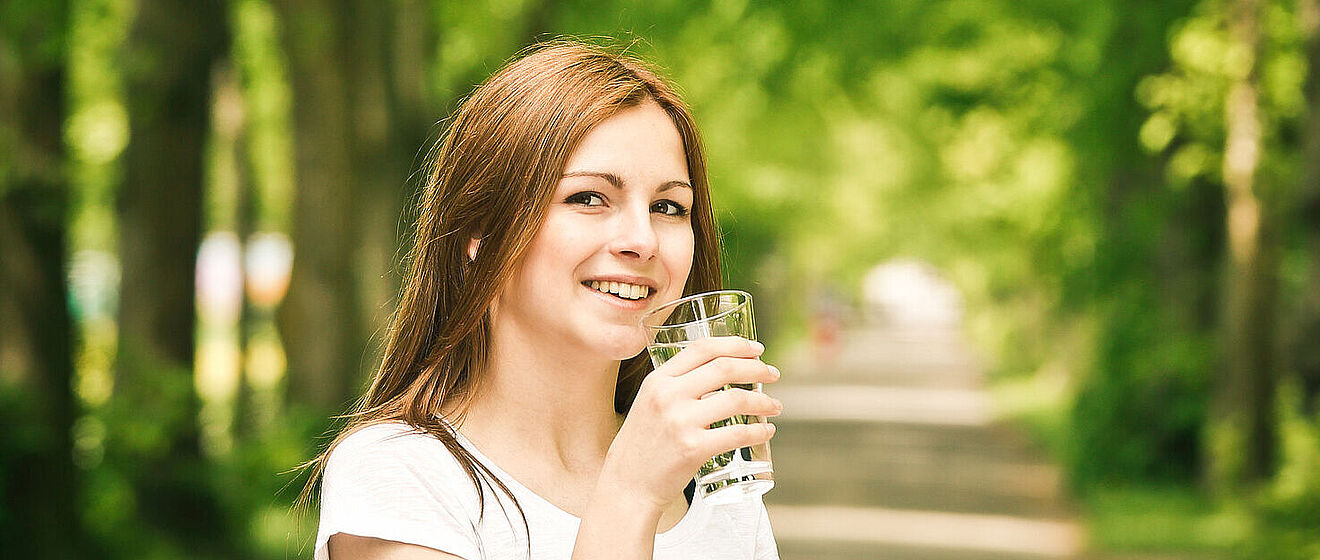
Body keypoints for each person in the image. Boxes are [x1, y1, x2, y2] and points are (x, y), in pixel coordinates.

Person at [302, 39, 784, 560]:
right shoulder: (401, 475)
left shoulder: (712, 476)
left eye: (669, 207)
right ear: (480, 230)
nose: (642, 239)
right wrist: (629, 495)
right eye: (589, 198)